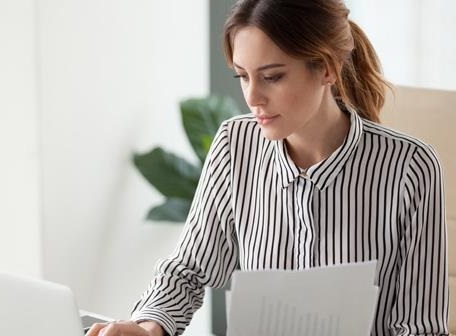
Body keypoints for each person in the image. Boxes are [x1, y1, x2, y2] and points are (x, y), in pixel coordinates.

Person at [87, 0, 449, 335]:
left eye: (272, 76)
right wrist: (150, 327)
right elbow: (188, 270)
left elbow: (419, 327)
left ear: (327, 68)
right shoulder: (235, 145)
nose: (252, 97)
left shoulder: (410, 167)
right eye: (243, 76)